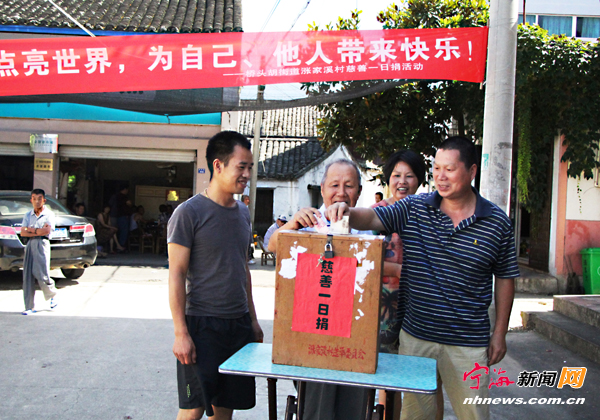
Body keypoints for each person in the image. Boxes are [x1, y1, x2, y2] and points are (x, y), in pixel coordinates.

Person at [327, 137, 520, 420]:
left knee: (474, 414)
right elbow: (372, 219)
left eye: (449, 169)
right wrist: (347, 212)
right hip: (417, 339)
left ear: (472, 171)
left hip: (468, 344)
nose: (441, 177)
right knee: (417, 415)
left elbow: (505, 278)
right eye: (437, 168)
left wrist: (500, 333)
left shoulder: (496, 222)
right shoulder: (415, 208)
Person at [168, 130, 263, 420]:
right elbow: (176, 274)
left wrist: (252, 320)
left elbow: (242, 269)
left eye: (250, 167)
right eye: (241, 167)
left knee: (224, 410)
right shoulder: (189, 213)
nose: (247, 174)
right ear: (218, 165)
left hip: (238, 325)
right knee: (193, 409)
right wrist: (181, 333)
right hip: (202, 326)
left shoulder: (242, 213)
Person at [267, 158, 370, 420]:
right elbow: (273, 246)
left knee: (353, 409)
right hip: (313, 332)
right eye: (334, 185)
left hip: (356, 335)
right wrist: (292, 225)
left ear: (359, 191)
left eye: (349, 185)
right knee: (316, 408)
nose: (341, 192)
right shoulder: (308, 221)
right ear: (322, 189)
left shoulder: (368, 229)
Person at [371, 150, 427, 417]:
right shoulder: (376, 215)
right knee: (387, 376)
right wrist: (401, 270)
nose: (402, 182)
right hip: (383, 307)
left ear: (420, 180)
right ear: (388, 179)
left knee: (420, 377)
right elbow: (362, 259)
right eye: (396, 175)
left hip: (420, 306)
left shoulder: (429, 214)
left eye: (409, 176)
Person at [20, 189, 58, 315]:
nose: (37, 201)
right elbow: (23, 232)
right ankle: (29, 306)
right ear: (31, 200)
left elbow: (46, 231)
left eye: (39, 199)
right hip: (30, 244)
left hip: (42, 243)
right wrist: (37, 231)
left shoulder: (49, 215)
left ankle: (52, 294)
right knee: (27, 275)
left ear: (44, 200)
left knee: (42, 274)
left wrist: (31, 230)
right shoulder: (28, 215)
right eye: (34, 199)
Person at [240, 195, 256, 264]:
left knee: (248, 244)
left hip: (248, 227)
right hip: (245, 228)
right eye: (247, 199)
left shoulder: (245, 208)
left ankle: (248, 258)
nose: (248, 201)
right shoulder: (242, 208)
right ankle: (247, 259)